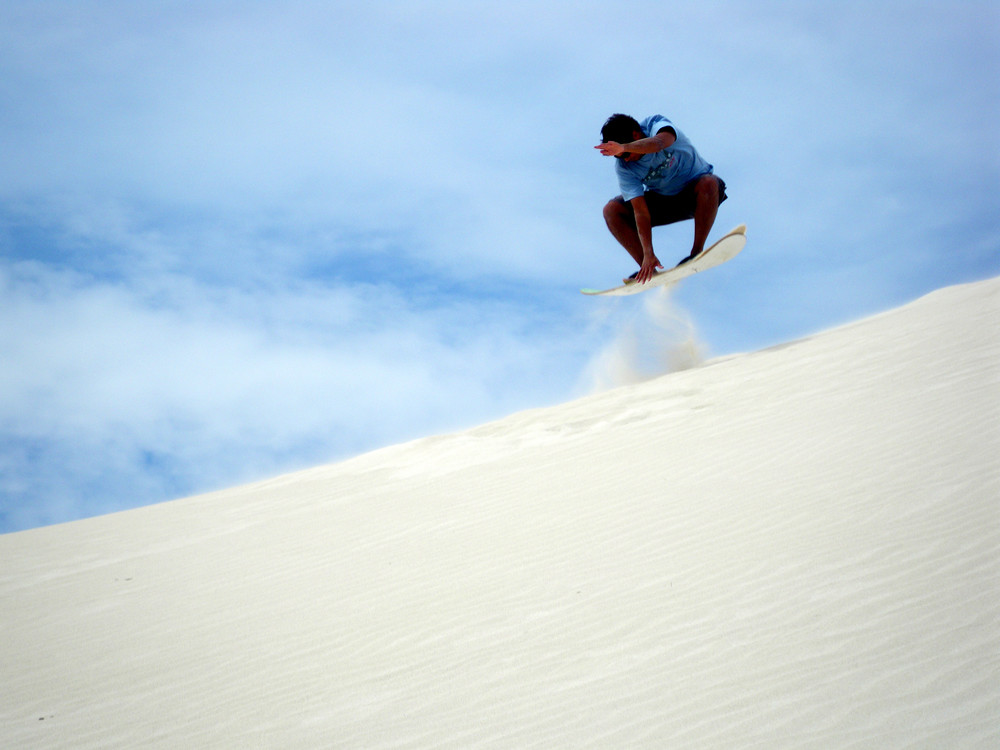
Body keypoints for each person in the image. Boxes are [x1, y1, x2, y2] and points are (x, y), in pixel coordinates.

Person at [595, 113, 727, 284]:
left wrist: (624, 147)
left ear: (636, 135)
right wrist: (648, 253)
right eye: (619, 156)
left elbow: (659, 143)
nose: (625, 159)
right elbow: (640, 211)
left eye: (625, 154)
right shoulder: (625, 167)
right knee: (611, 210)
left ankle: (696, 253)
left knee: (709, 182)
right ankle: (648, 267)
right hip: (665, 202)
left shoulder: (656, 125)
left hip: (699, 196)